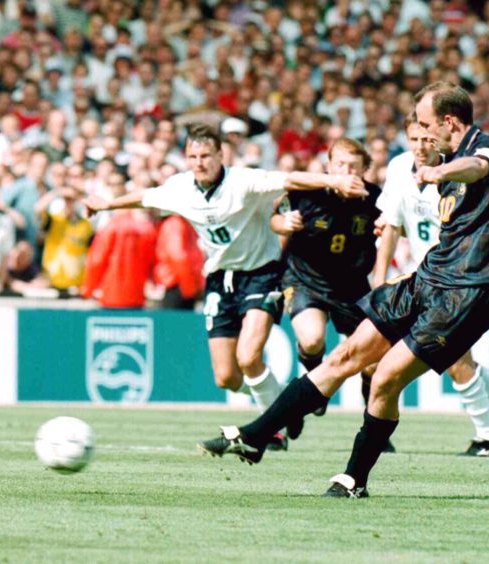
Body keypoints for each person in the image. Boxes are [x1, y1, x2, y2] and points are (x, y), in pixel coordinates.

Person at [198, 81, 489, 497]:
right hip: (428, 277)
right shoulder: (440, 159)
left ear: (449, 121)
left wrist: (439, 171)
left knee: (385, 377)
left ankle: (355, 479)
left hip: (469, 293)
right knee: (345, 355)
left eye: (426, 125)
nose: (421, 136)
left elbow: (481, 166)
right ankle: (255, 435)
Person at [84, 124, 368, 450]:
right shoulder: (181, 188)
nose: (199, 162)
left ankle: (271, 431)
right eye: (193, 156)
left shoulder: (243, 181)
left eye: (206, 155)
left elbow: (289, 179)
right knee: (227, 378)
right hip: (220, 279)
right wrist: (105, 206)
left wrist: (333, 179)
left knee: (249, 357)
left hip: (263, 275)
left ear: (221, 155)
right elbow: (144, 198)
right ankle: (286, 403)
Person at [373, 112, 489, 457]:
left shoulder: (459, 171)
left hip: (458, 280)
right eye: (414, 139)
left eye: (426, 138)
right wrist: (379, 278)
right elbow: (391, 224)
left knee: (457, 361)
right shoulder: (399, 168)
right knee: (459, 361)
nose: (421, 146)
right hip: (420, 278)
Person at [271, 138, 385, 444]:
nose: (346, 172)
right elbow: (272, 215)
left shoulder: (375, 198)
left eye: (354, 166)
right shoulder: (305, 192)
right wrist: (282, 222)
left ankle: (372, 424)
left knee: (373, 362)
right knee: (311, 339)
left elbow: (392, 228)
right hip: (305, 279)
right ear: (329, 166)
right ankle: (315, 389)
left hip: (353, 286)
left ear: (364, 170)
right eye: (340, 165)